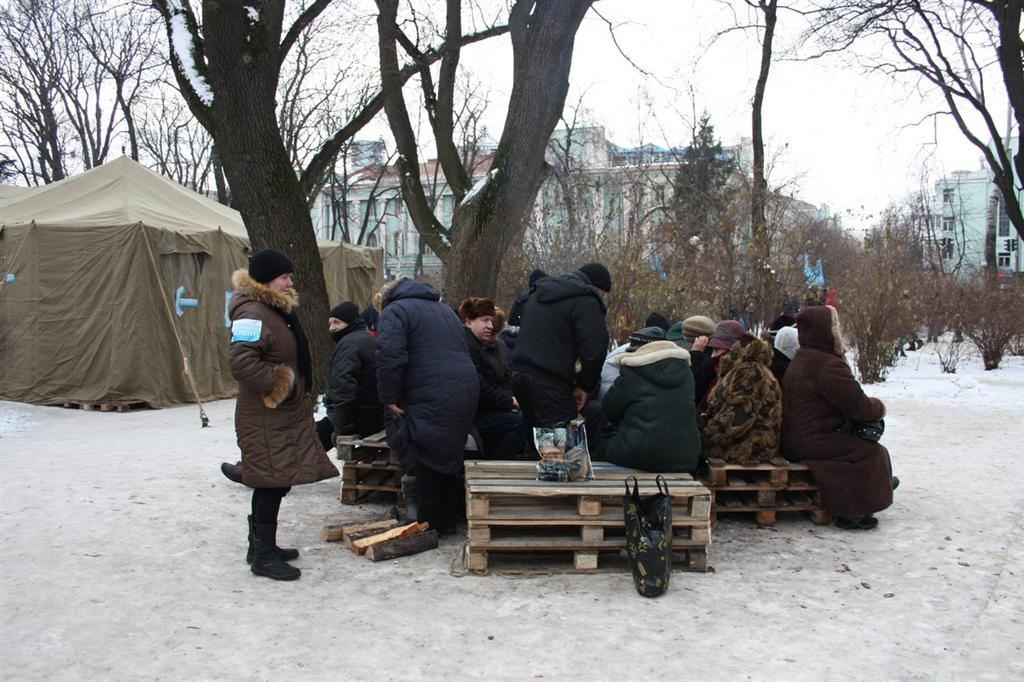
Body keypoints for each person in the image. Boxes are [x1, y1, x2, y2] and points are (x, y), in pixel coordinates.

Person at [227, 249, 339, 581]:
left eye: (290, 276)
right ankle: (262, 555)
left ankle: (262, 545)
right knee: (270, 482)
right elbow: (240, 361)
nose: (290, 282)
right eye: (284, 277)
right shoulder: (252, 312)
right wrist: (281, 385)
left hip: (281, 416)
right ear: (266, 280)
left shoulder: (274, 309)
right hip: (265, 415)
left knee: (277, 479)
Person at [376, 278, 479, 535]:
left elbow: (390, 355)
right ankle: (446, 522)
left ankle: (428, 523)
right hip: (463, 388)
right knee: (448, 454)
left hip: (428, 389)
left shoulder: (396, 311)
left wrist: (390, 396)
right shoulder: (445, 310)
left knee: (426, 454)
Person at [781, 305, 896, 530]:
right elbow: (858, 407)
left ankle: (872, 490)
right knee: (872, 452)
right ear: (826, 330)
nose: (838, 330)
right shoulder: (827, 364)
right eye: (835, 326)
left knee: (862, 447)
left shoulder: (803, 358)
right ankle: (853, 511)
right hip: (815, 440)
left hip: (796, 438)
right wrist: (879, 407)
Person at [511, 263, 611, 453]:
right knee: (560, 452)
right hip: (551, 384)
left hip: (520, 376)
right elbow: (594, 351)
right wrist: (585, 385)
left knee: (536, 446)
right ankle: (557, 482)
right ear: (597, 288)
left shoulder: (540, 294)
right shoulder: (586, 300)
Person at [600, 328, 701, 473]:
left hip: (638, 455)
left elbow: (609, 409)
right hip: (685, 458)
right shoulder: (686, 372)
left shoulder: (632, 372)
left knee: (599, 447)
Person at [701, 333, 783, 465]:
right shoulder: (752, 370)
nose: (713, 354)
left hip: (746, 450)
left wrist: (704, 434)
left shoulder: (749, 372)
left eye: (717, 350)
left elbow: (735, 420)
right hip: (750, 446)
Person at [459, 297, 525, 459]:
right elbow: (478, 386)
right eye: (485, 320)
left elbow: (507, 376)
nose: (490, 325)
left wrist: (509, 399)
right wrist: (509, 402)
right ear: (469, 322)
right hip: (472, 413)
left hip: (492, 406)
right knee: (519, 422)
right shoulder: (465, 346)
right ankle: (496, 464)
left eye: (491, 321)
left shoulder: (498, 347)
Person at [321, 301, 383, 443]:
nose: (332, 328)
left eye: (337, 322)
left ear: (350, 322)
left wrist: (341, 431)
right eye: (330, 324)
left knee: (306, 441)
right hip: (372, 416)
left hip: (358, 420)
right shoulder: (366, 338)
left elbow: (344, 390)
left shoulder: (349, 345)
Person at [690, 319, 744, 409]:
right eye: (713, 350)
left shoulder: (742, 377)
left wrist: (696, 356)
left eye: (717, 349)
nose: (713, 355)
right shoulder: (713, 367)